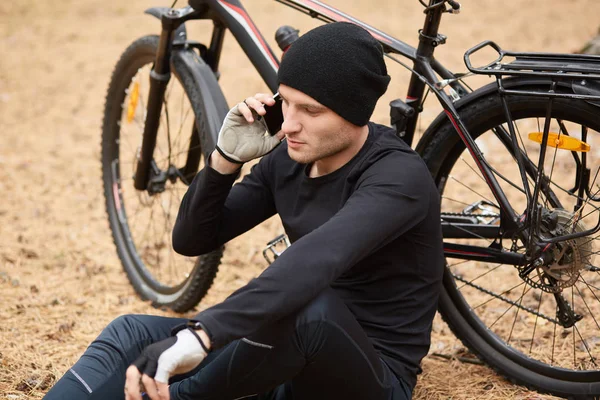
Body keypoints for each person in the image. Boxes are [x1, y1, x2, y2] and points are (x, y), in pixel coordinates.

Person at [43, 22, 444, 400]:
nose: (289, 125)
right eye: (285, 102)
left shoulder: (398, 177)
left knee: (310, 307)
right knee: (130, 332)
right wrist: (224, 161)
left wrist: (203, 334)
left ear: (355, 111)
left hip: (362, 375)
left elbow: (314, 262)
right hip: (275, 356)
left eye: (311, 111)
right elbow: (192, 239)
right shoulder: (290, 158)